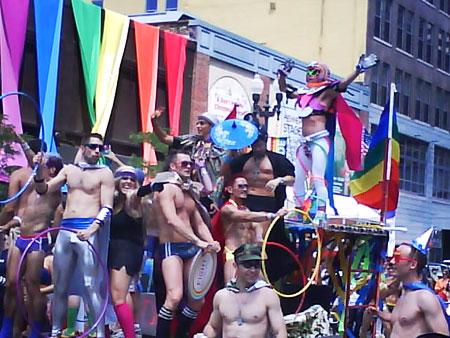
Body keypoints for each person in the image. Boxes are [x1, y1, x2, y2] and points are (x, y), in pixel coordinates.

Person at [33, 133, 115, 338]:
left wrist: (93, 228)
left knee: (90, 285)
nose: (97, 151)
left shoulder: (104, 173)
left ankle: (99, 333)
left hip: (88, 228)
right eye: (93, 146)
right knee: (60, 285)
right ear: (83, 147)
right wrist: (40, 169)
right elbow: (43, 189)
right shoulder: (69, 170)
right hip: (66, 229)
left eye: (100, 148)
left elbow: (107, 207)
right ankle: (54, 332)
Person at [278, 55, 377, 223]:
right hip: (305, 142)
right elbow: (284, 89)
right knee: (298, 177)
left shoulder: (325, 94)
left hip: (319, 140)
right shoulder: (303, 94)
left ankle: (322, 212)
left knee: (317, 177)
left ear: (323, 74)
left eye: (314, 71)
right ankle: (300, 210)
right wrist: (282, 75)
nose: (310, 74)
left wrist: (358, 69)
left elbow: (342, 85)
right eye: (308, 71)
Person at [152, 150, 220, 338]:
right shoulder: (164, 188)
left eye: (190, 164)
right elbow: (172, 219)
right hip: (171, 247)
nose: (189, 167)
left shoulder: (189, 192)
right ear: (173, 166)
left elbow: (198, 223)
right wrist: (197, 240)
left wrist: (210, 241)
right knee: (174, 297)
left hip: (192, 249)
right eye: (184, 164)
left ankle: (181, 334)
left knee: (197, 301)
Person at [0, 153, 62, 338]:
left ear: (51, 169)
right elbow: (22, 215)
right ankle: (7, 328)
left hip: (37, 239)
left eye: (43, 165)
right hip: (21, 237)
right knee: (11, 283)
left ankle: (34, 330)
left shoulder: (52, 189)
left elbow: (42, 187)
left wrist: (33, 157)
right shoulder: (32, 190)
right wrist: (7, 225)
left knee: (32, 285)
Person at [199, 243, 287, 338]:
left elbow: (280, 331)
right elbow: (213, 327)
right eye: (247, 265)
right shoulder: (222, 296)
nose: (253, 270)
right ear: (235, 265)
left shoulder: (268, 295)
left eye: (256, 265)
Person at [213, 175, 287, 282]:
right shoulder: (227, 209)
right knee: (232, 289)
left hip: (248, 254)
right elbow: (244, 216)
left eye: (246, 186)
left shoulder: (246, 209)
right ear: (230, 190)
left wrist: (258, 236)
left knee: (264, 287)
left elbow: (255, 224)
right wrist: (271, 215)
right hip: (233, 253)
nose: (244, 189)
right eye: (240, 186)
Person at [368, 243, 450, 337]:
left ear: (413, 264)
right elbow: (403, 320)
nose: (391, 262)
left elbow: (442, 335)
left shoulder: (424, 297)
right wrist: (379, 313)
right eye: (392, 257)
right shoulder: (405, 293)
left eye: (397, 258)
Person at [152, 108, 225, 197]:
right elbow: (165, 139)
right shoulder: (191, 141)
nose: (198, 126)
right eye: (197, 123)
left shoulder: (222, 148)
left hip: (214, 192)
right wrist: (154, 122)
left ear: (211, 126)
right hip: (191, 189)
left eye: (202, 123)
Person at [108, 166, 146, 338]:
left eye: (132, 179)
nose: (128, 182)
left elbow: (140, 194)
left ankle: (130, 335)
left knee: (119, 297)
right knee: (116, 297)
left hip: (127, 251)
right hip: (114, 250)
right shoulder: (113, 202)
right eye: (124, 178)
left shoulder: (134, 200)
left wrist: (150, 188)